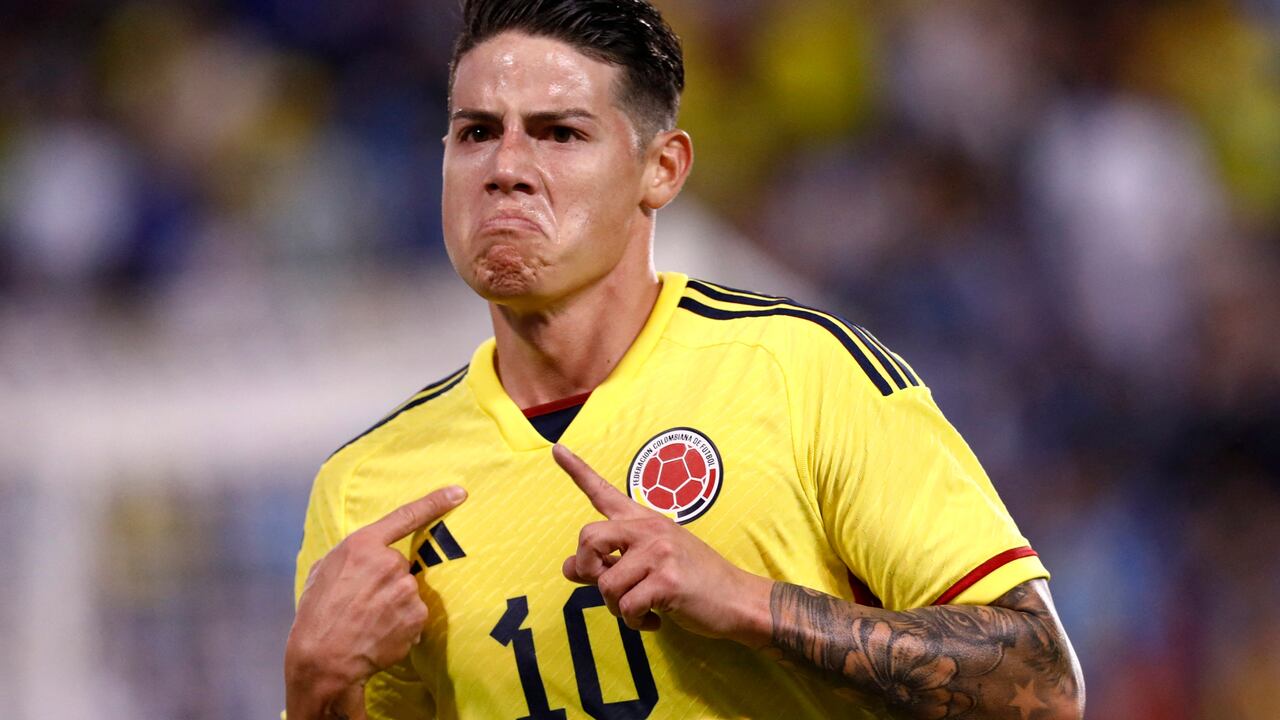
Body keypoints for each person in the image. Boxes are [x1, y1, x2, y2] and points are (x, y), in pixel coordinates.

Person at [285, 1, 1085, 718]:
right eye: (476, 133)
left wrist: (749, 602)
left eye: (560, 133)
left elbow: (1042, 682)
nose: (506, 170)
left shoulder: (797, 372)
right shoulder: (367, 488)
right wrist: (316, 689)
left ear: (660, 169)